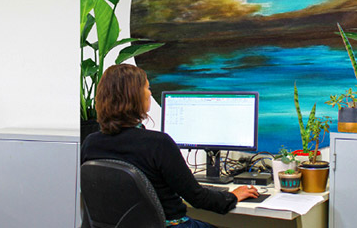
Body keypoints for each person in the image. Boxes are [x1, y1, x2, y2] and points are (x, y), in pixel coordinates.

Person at [81, 64, 259, 228]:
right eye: (147, 88)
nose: (150, 93)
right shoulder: (158, 144)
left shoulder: (91, 143)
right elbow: (198, 198)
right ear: (134, 96)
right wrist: (232, 196)